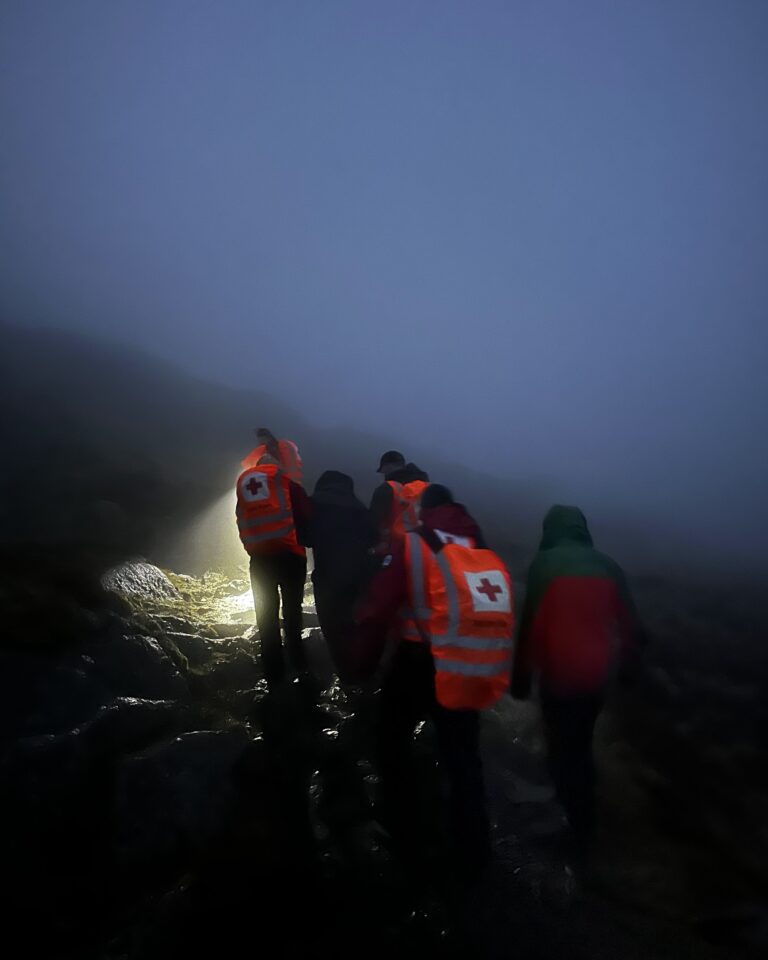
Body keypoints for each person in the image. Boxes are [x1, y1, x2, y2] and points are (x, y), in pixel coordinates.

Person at [355, 484, 514, 877]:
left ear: (426, 511)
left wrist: (361, 665)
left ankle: (404, 835)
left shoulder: (413, 544)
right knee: (463, 758)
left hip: (417, 661)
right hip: (464, 663)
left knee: (391, 742)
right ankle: (475, 853)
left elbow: (378, 607)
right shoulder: (478, 545)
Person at [511, 505, 645, 846]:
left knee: (560, 745)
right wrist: (629, 667)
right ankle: (581, 817)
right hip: (597, 675)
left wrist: (521, 674)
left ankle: (572, 820)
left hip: (558, 673)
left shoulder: (544, 565)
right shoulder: (608, 566)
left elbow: (529, 627)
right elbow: (632, 625)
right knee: (581, 744)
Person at [236, 454, 310, 684]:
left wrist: (251, 547)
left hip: (259, 559)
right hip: (290, 555)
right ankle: (298, 663)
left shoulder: (245, 486)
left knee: (266, 613)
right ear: (275, 466)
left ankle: (273, 672)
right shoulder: (286, 482)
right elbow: (305, 514)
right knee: (292, 611)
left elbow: (240, 518)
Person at [298, 470, 377, 683]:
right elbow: (373, 539)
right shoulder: (360, 507)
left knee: (332, 629)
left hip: (327, 578)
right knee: (354, 626)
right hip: (359, 578)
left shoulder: (314, 504)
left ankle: (345, 677)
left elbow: (305, 537)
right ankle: (362, 674)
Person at [369, 450, 430, 550]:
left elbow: (372, 522)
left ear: (388, 466)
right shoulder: (427, 488)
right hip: (425, 550)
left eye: (383, 471)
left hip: (393, 549)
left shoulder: (388, 488)